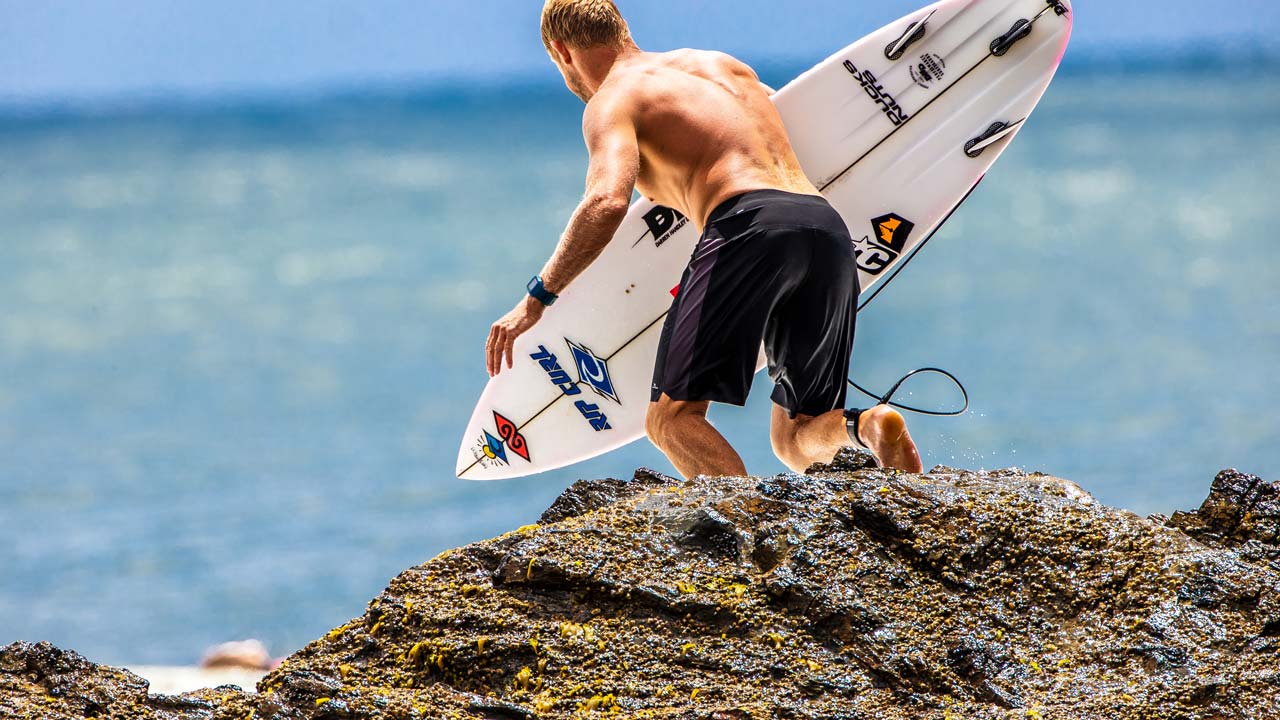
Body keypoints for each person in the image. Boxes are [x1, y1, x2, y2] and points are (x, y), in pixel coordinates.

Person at [485, 0, 922, 478]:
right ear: (622, 27)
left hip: (745, 224)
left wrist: (538, 297)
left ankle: (752, 537)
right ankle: (871, 425)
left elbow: (606, 202)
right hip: (824, 227)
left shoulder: (613, 100)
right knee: (798, 437)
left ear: (560, 52)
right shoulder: (720, 67)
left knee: (671, 420)